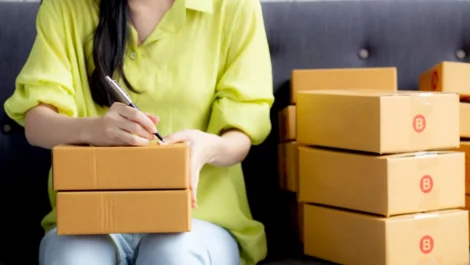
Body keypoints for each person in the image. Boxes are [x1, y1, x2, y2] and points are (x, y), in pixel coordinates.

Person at [3, 0, 274, 264]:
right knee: (72, 257)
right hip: (90, 217)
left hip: (201, 218)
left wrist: (206, 147)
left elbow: (242, 133)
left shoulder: (234, 6)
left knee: (175, 256)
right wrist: (94, 129)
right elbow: (37, 126)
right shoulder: (65, 7)